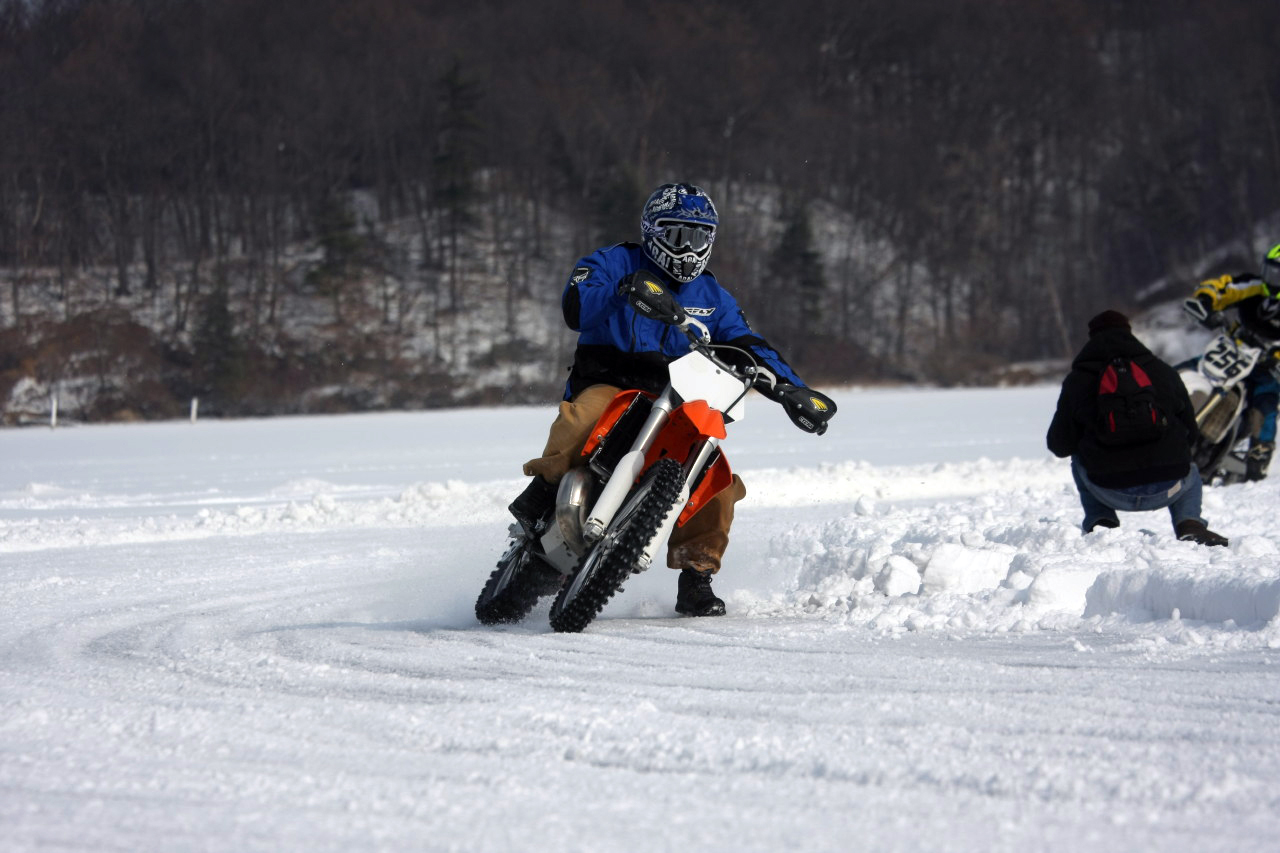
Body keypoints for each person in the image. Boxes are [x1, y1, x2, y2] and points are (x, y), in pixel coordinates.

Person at [507, 182, 836, 617]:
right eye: (679, 235)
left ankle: (697, 576)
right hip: (611, 379)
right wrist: (623, 289)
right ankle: (542, 493)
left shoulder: (713, 297)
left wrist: (793, 390)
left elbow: (749, 345)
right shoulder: (612, 261)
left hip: (678, 394)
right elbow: (576, 307)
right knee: (584, 419)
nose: (688, 248)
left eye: (699, 237)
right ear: (652, 231)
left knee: (715, 475)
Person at [1047, 310, 1228, 546]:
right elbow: (1191, 433)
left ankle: (1101, 521)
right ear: (1129, 333)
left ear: (1092, 338)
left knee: (1078, 457)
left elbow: (1059, 445)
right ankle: (1190, 523)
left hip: (1107, 489)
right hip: (1170, 486)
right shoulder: (1163, 371)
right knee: (1188, 462)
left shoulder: (1078, 380)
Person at [1183, 242, 1280, 480]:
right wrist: (1206, 301)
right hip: (1230, 349)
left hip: (1267, 368)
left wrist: (1276, 357)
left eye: (1277, 275)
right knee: (1181, 372)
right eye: (1270, 271)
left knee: (1265, 404)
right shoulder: (1254, 286)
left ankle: (1259, 454)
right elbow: (1224, 286)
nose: (1271, 279)